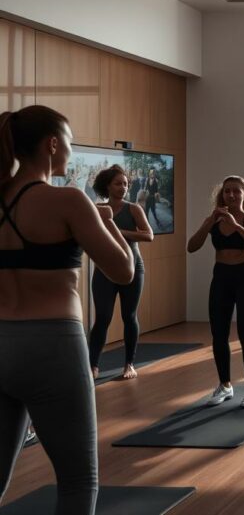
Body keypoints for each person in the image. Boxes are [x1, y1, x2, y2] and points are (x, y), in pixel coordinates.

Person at [1, 105, 135, 514]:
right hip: (52, 345)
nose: (72, 154)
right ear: (53, 144)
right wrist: (106, 220)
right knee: (78, 482)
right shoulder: (68, 201)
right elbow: (124, 271)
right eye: (71, 144)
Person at [187, 175, 244, 408]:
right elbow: (191, 247)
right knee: (219, 335)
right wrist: (207, 223)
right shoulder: (212, 220)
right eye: (227, 191)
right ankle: (225, 385)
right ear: (222, 195)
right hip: (221, 278)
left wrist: (236, 226)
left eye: (236, 191)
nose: (231, 195)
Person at [89, 165, 153, 380]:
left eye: (126, 184)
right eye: (118, 183)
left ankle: (129, 364)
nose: (123, 187)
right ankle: (93, 366)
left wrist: (116, 230)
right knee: (103, 318)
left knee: (129, 316)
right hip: (104, 269)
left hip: (133, 268)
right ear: (107, 186)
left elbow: (148, 235)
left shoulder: (134, 208)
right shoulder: (97, 208)